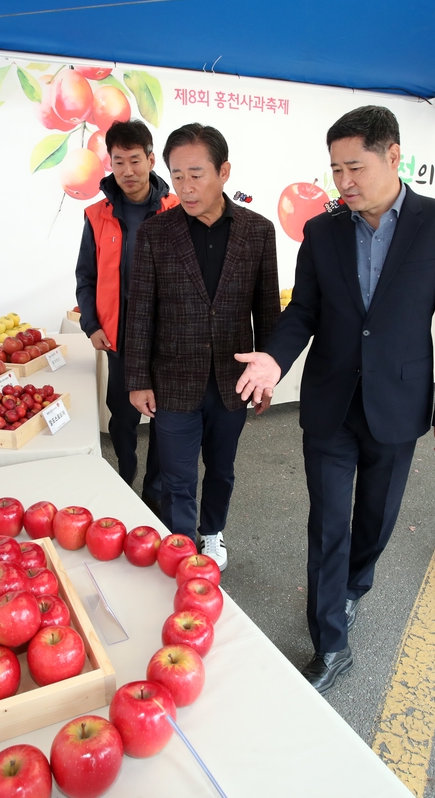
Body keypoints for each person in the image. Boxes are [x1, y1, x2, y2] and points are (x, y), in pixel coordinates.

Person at [235, 105, 435, 692]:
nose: (343, 182)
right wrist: (274, 356)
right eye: (335, 169)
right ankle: (331, 642)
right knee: (327, 522)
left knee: (375, 517)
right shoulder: (322, 231)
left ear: (393, 157)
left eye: (355, 167)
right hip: (331, 401)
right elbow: (306, 311)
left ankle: (354, 584)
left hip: (399, 399)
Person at [125, 123, 281, 572]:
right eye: (177, 176)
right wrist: (138, 380)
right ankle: (180, 543)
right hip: (172, 378)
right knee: (176, 474)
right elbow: (141, 314)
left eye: (197, 174)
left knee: (222, 469)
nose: (186, 188)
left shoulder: (258, 231)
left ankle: (212, 533)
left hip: (232, 379)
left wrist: (268, 377)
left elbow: (267, 311)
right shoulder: (157, 233)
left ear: (224, 171)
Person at [75, 120, 179, 512]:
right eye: (119, 162)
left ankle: (153, 492)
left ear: (151, 160)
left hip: (165, 343)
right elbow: (85, 277)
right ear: (111, 164)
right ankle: (124, 476)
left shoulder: (175, 211)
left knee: (165, 423)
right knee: (122, 420)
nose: (128, 171)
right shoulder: (96, 216)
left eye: (136, 161)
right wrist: (91, 324)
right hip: (119, 341)